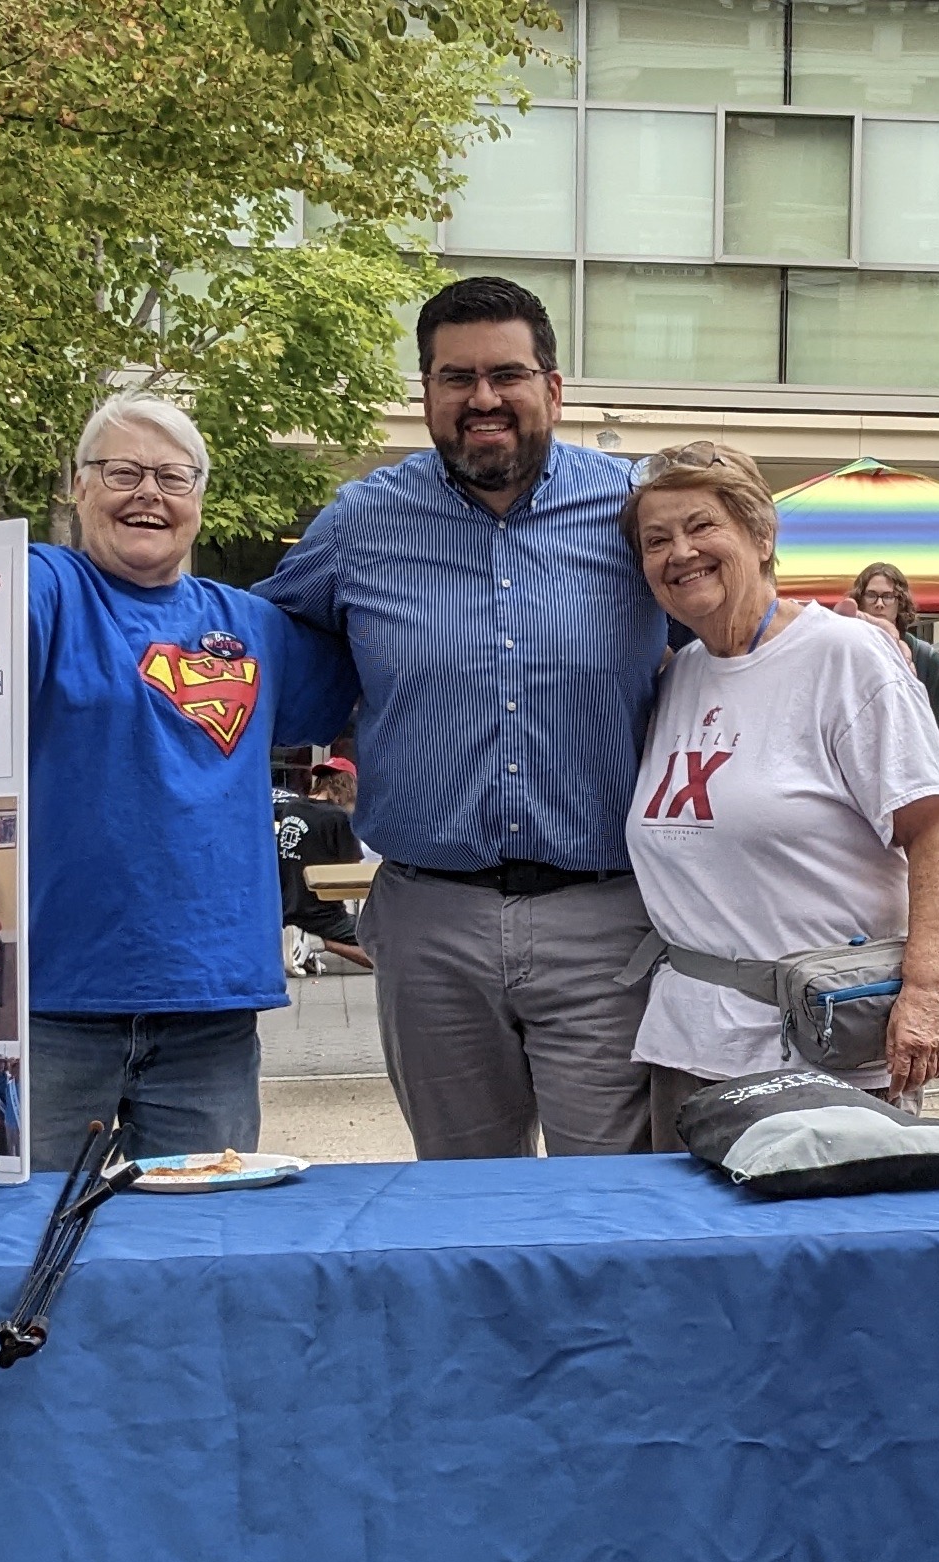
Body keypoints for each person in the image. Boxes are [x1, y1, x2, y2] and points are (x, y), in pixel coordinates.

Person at [0, 392, 358, 1168]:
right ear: (77, 490)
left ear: (199, 502)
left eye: (173, 478)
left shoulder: (257, 628)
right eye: (121, 471)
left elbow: (379, 683)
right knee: (18, 1242)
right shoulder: (46, 585)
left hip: (208, 1008)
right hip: (49, 1005)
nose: (148, 492)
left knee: (187, 1250)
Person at [259, 275, 671, 1159]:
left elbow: (737, 640)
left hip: (607, 921)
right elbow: (232, 647)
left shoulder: (637, 514)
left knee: (608, 1205)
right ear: (427, 396)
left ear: (552, 390)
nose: (482, 399)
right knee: (459, 1203)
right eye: (456, 379)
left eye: (505, 375)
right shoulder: (360, 524)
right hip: (427, 922)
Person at [616, 444, 939, 1148]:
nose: (679, 552)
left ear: (761, 536)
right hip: (687, 1045)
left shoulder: (845, 657)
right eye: (656, 541)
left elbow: (933, 829)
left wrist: (925, 994)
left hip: (820, 1049)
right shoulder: (679, 676)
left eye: (700, 526)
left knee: (825, 1252)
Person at [851, 563, 939, 772]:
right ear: (860, 600)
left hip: (912, 773)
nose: (879, 604)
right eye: (871, 595)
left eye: (888, 596)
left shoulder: (927, 659)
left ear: (900, 602)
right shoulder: (846, 653)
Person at [274, 757, 372, 970]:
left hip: (287, 908)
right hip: (322, 915)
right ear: (348, 784)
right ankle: (317, 942)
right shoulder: (337, 818)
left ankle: (302, 946)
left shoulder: (292, 808)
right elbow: (351, 877)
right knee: (384, 951)